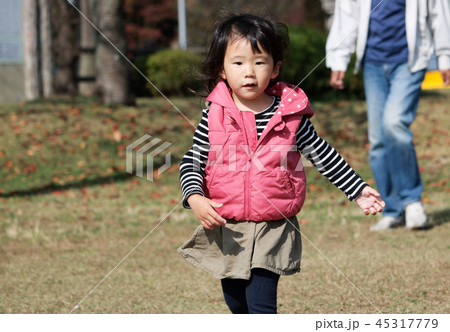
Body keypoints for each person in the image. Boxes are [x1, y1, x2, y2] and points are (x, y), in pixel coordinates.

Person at [178, 14, 384, 314]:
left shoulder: (290, 115)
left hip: (274, 223)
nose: (249, 72)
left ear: (275, 68)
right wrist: (194, 197)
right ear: (221, 70)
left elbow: (322, 155)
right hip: (229, 224)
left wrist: (358, 190)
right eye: (238, 63)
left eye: (259, 62)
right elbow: (192, 160)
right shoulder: (214, 114)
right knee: (236, 302)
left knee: (261, 303)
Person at [326, 0, 450, 231]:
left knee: (394, 123)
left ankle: (412, 202)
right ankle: (393, 210)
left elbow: (439, 13)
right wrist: (338, 59)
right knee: (379, 139)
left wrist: (445, 56)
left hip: (410, 62)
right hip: (372, 64)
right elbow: (346, 16)